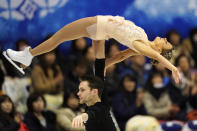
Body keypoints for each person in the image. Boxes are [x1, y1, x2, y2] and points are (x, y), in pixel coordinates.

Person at [3, 15, 180, 83]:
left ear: (160, 50)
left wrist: (173, 68)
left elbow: (153, 55)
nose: (164, 39)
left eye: (166, 43)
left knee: (57, 38)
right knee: (98, 68)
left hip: (98, 25)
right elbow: (119, 56)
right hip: (101, 32)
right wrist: (104, 65)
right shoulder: (142, 42)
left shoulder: (143, 47)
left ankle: (28, 55)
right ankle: (98, 81)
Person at [71, 40, 117, 131]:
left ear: (94, 92)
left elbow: (91, 114)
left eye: (82, 90)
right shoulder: (93, 101)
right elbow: (100, 65)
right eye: (79, 90)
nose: (78, 93)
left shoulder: (100, 108)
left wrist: (81, 117)